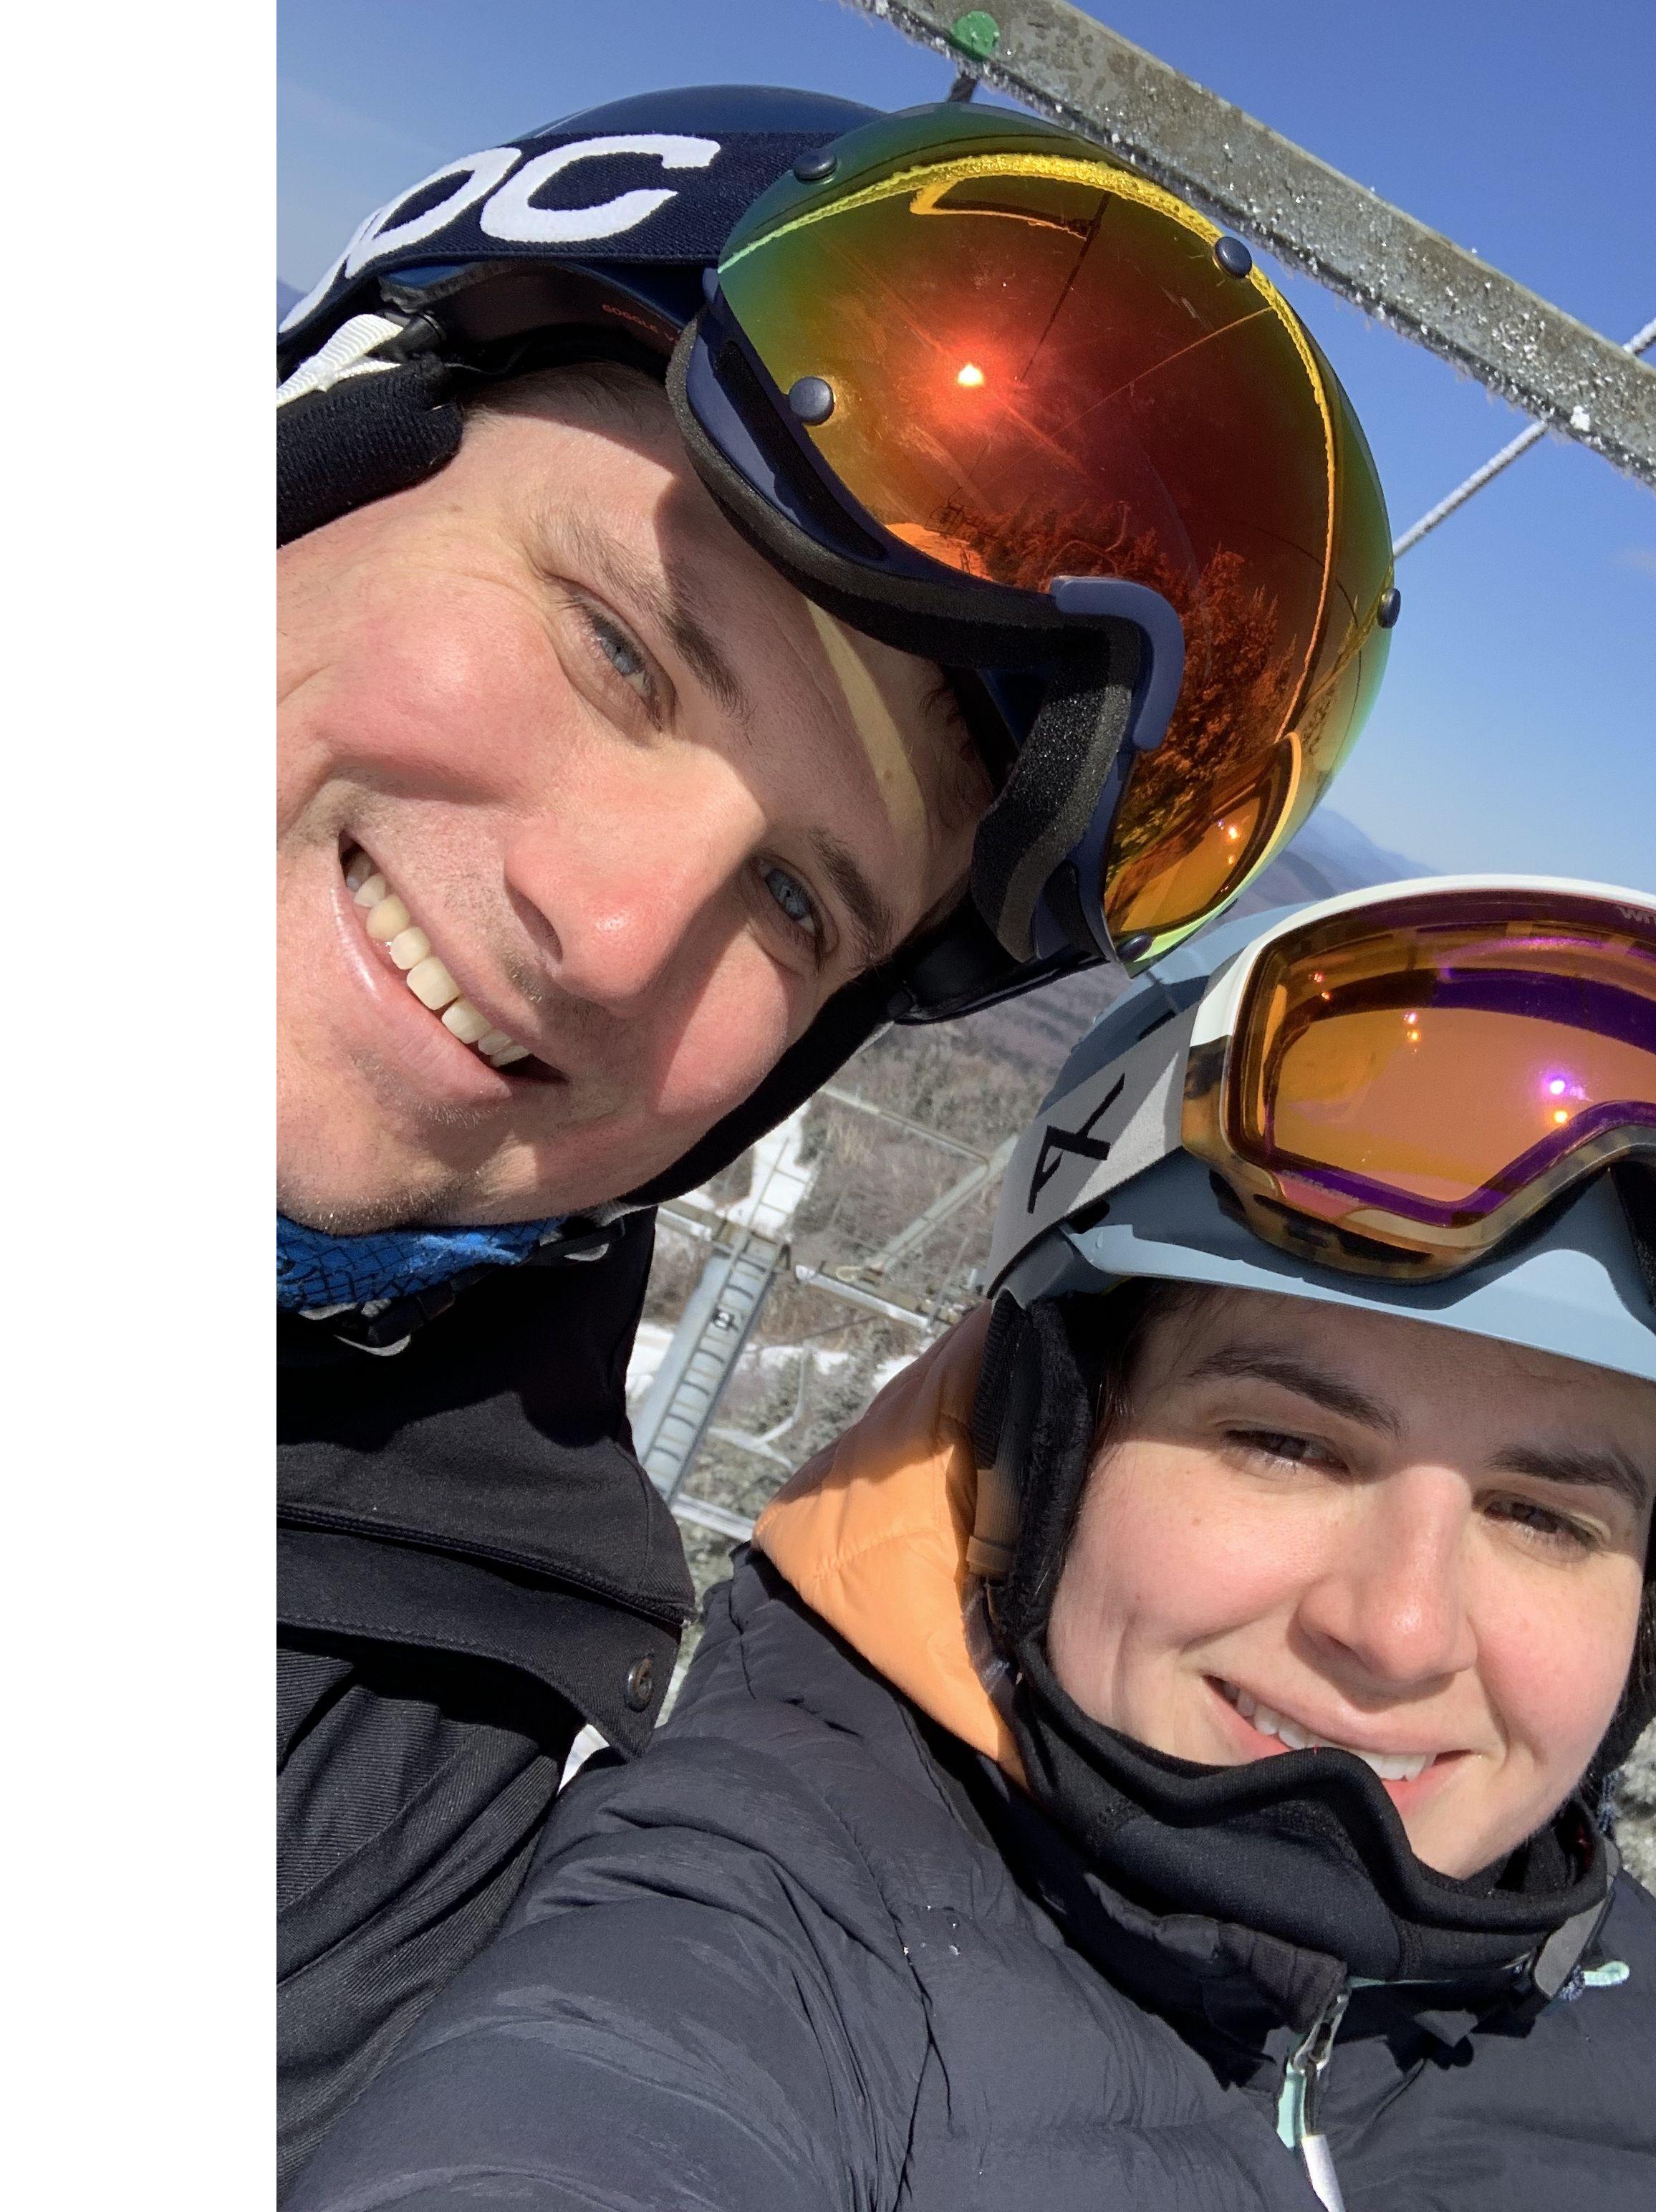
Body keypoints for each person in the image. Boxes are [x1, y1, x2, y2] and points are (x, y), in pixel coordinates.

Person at [276, 84, 1397, 2185]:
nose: (616, 933)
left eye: (798, 901)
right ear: (318, 447)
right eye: (620, 646)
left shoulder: (408, 1724)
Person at [287, 876, 1656, 2211]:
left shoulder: (1626, 2007)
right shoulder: (769, 1919)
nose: (1400, 1628)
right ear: (1040, 1454)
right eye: (1286, 1444)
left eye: (1543, 1515)